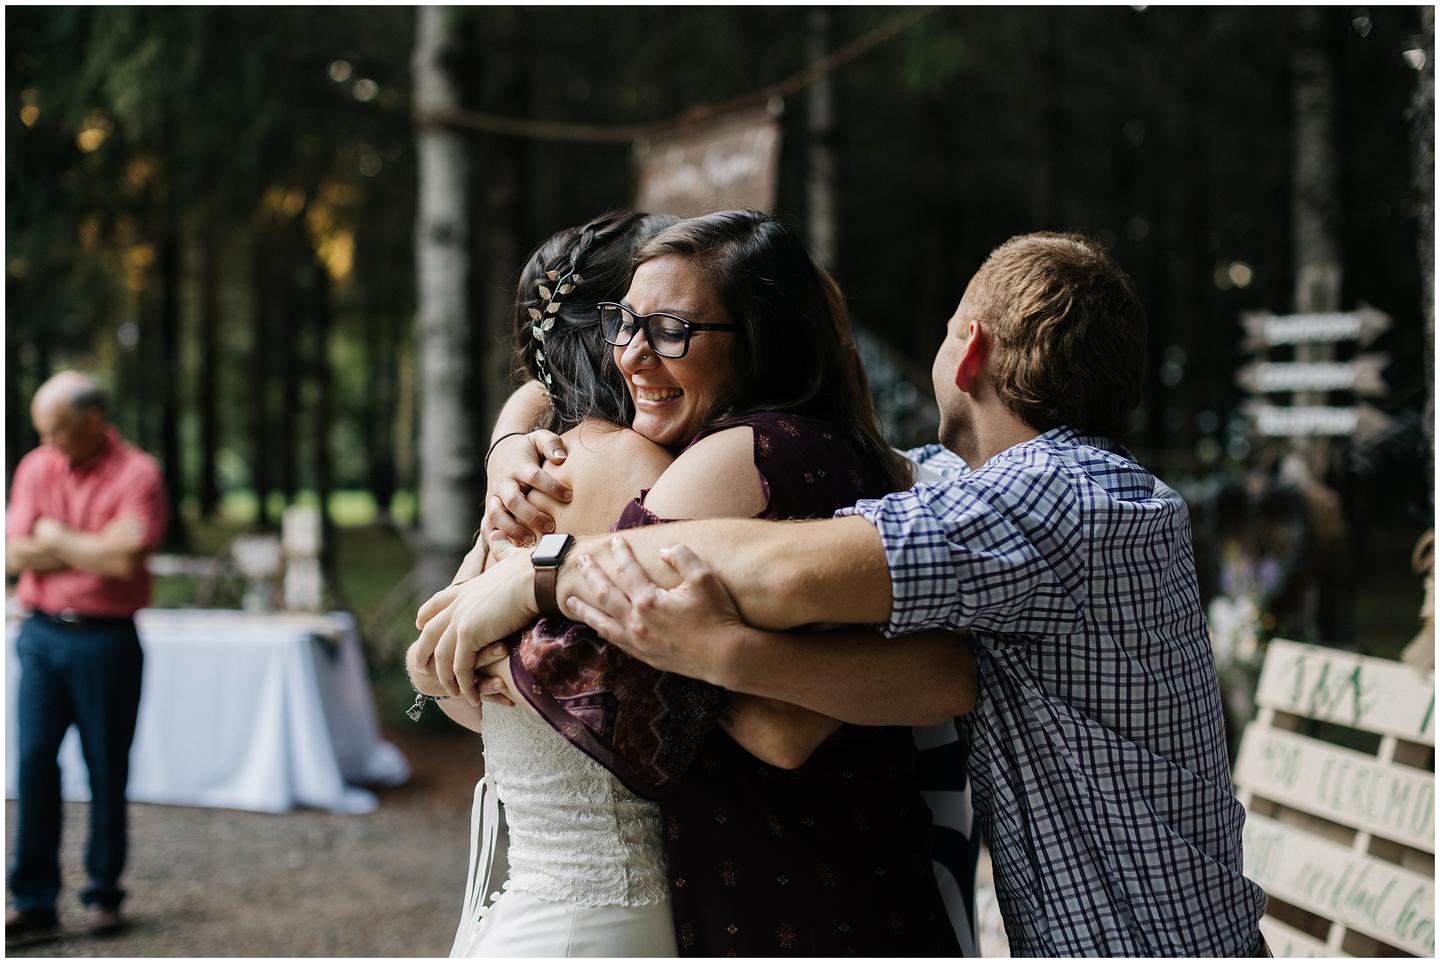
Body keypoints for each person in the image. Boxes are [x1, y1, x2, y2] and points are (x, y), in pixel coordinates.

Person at [418, 232, 1270, 957]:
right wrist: (513, 437)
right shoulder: (1000, 493)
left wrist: (550, 574)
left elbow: (787, 568)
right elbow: (883, 471)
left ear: (966, 351)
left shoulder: (1053, 497)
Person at [411, 210, 966, 956]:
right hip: (864, 890)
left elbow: (609, 670)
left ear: (758, 335)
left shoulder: (736, 455)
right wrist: (514, 433)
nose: (634, 355)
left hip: (789, 907)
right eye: (625, 323)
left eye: (671, 330)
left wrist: (509, 617)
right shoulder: (841, 445)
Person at [5, 371, 167, 945]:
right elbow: (11, 551)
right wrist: (91, 545)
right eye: (42, 432)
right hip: (41, 636)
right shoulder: (34, 467)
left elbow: (124, 563)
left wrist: (51, 535)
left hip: (108, 642)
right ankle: (33, 901)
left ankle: (103, 896)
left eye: (57, 431)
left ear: (93, 422)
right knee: (31, 763)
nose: (48, 443)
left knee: (105, 767)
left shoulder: (139, 473)